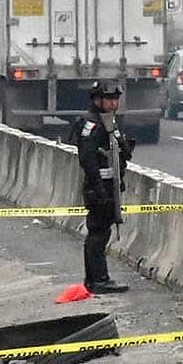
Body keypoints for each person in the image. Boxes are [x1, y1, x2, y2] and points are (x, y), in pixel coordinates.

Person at [75, 80, 134, 294]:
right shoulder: (91, 124)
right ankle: (97, 279)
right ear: (97, 100)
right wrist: (98, 189)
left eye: (115, 99)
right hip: (98, 186)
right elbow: (88, 159)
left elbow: (122, 151)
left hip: (112, 185)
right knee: (97, 233)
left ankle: (97, 277)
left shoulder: (110, 122)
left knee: (102, 232)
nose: (112, 103)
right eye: (108, 99)